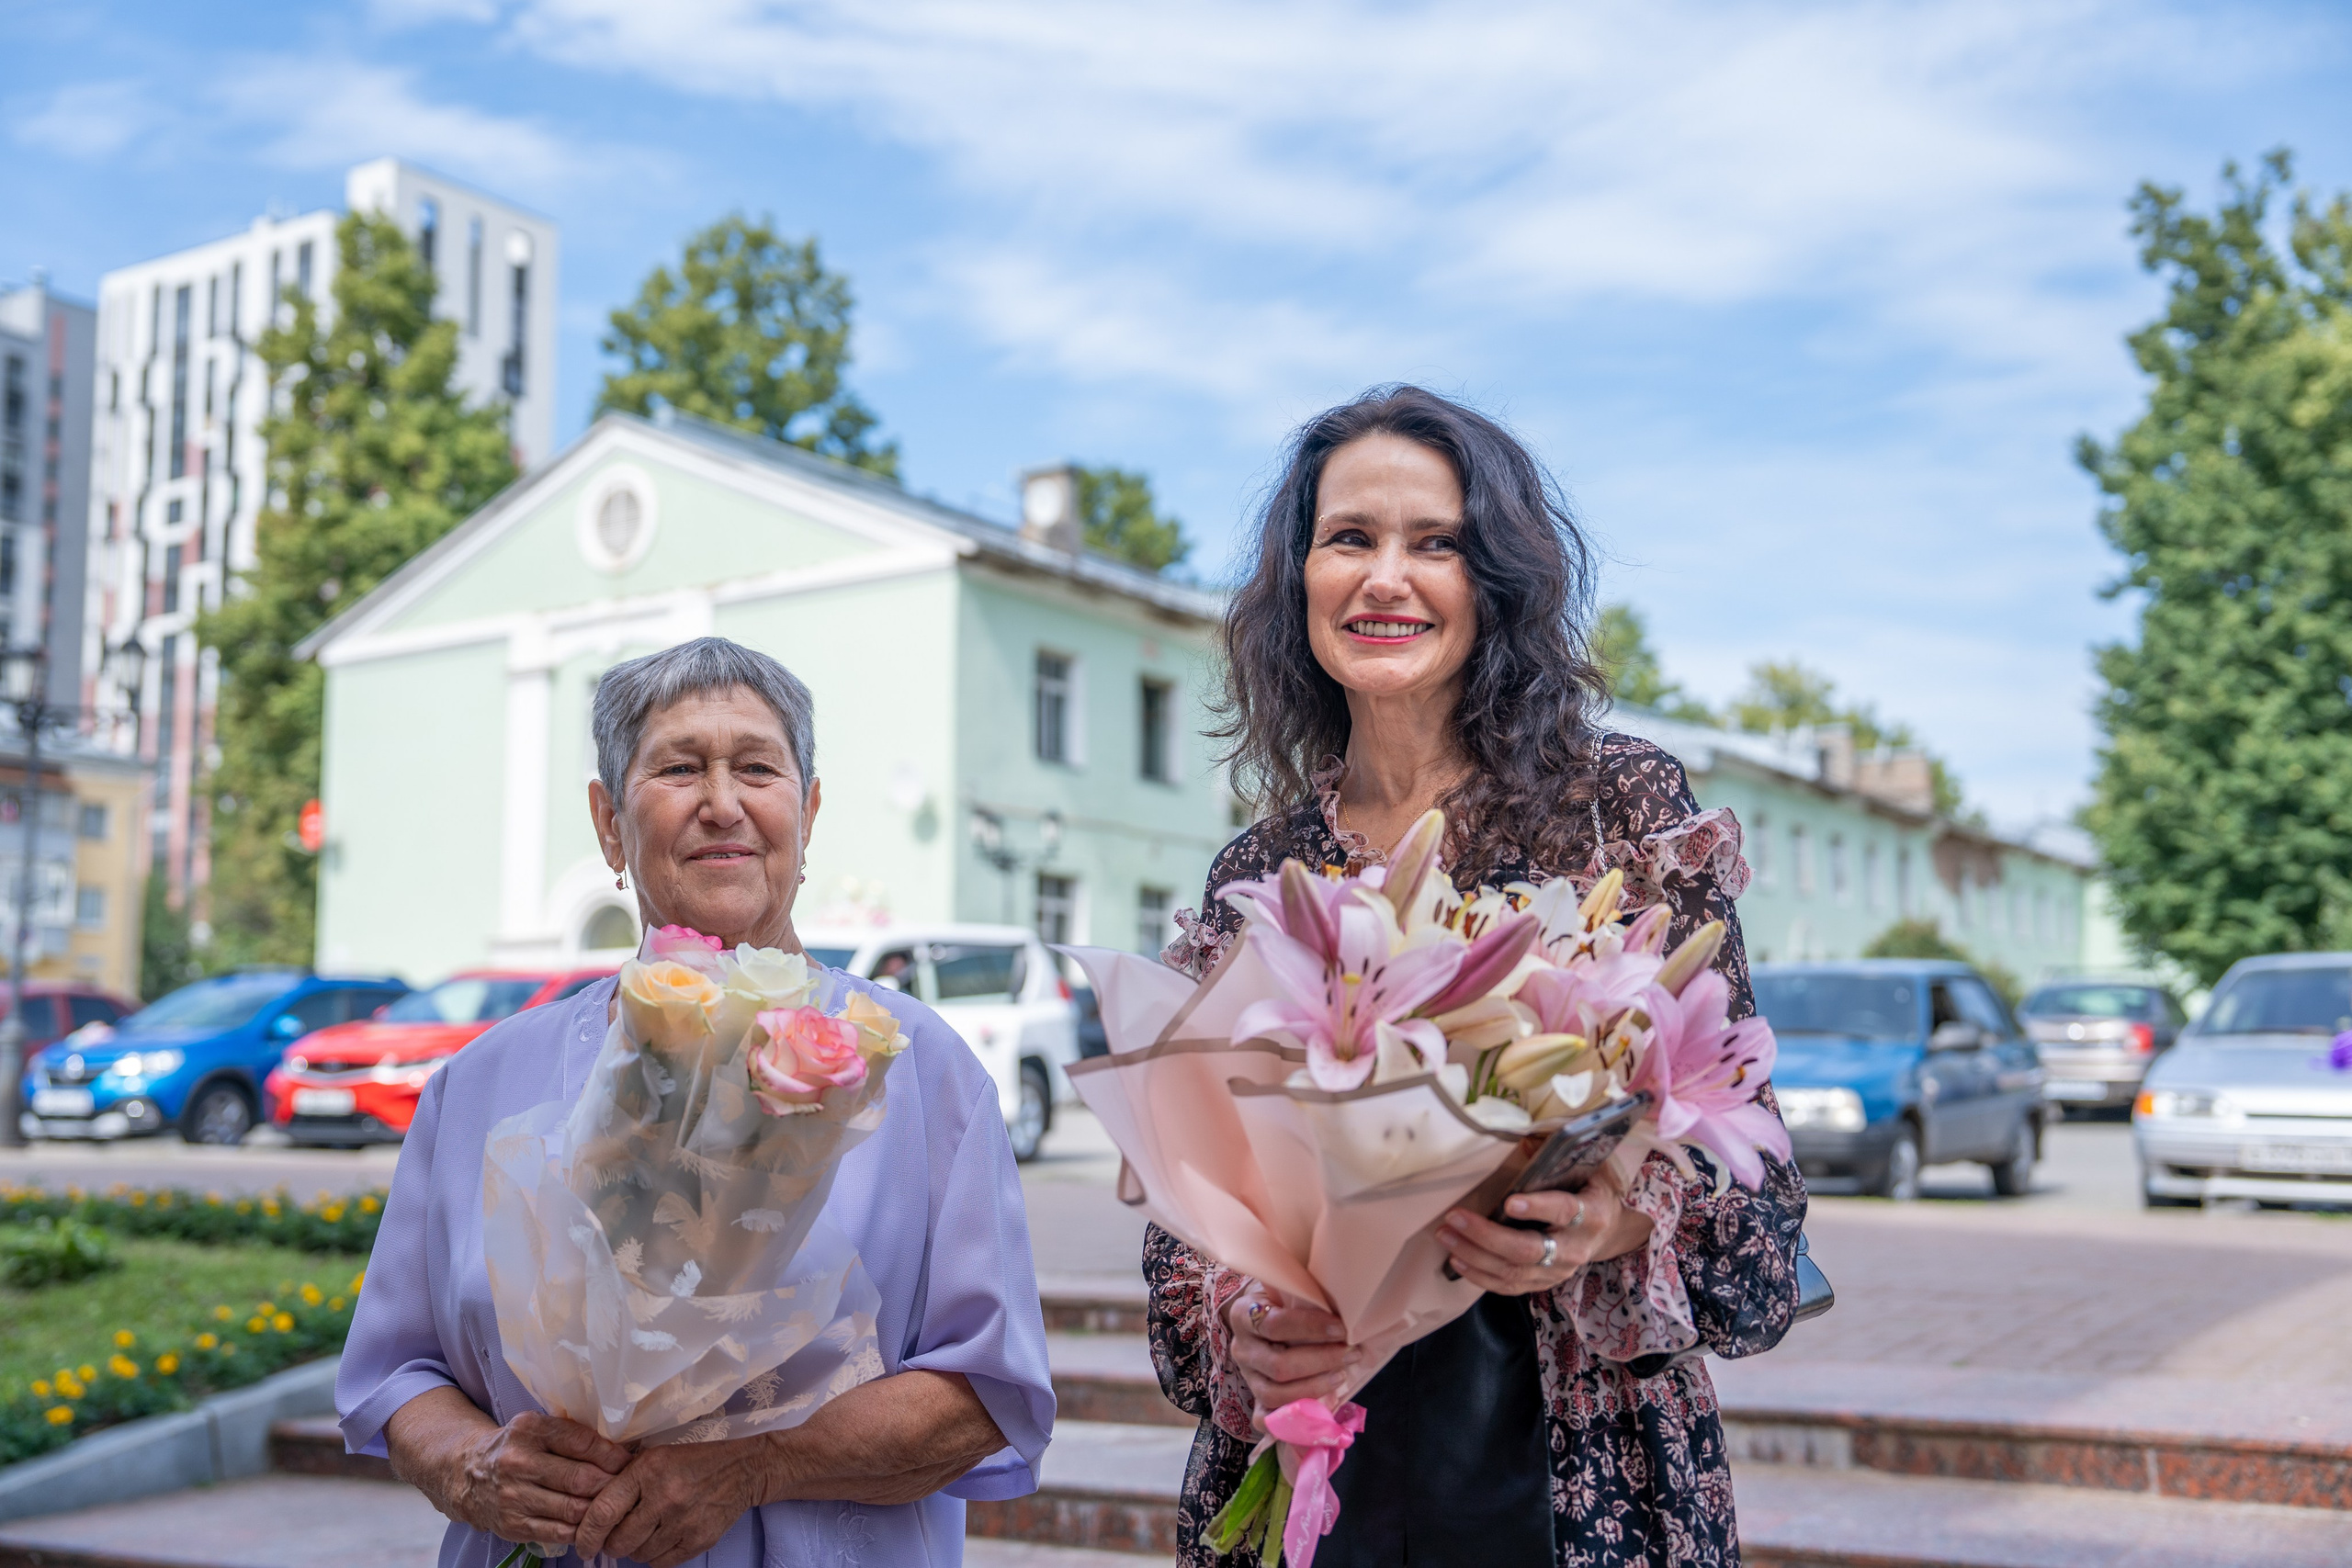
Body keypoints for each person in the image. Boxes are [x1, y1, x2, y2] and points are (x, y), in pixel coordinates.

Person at [1151, 388, 1806, 1567]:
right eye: (1348, 538)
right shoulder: (1263, 870)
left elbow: (1754, 1217)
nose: (1385, 578)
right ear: (1298, 580)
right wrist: (1247, 1323)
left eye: (1435, 544)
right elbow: (1185, 1234)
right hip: (1318, 1468)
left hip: (1570, 1474)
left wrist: (1610, 1225)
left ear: (1493, 582)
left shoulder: (1618, 814)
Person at [337, 637, 1054, 1568]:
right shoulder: (481, 1081)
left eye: (757, 767)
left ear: (809, 809)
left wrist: (755, 1468)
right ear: (608, 823)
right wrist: (477, 1464)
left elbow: (985, 1394)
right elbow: (399, 1374)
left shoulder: (920, 1070)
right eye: (678, 768)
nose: (723, 803)